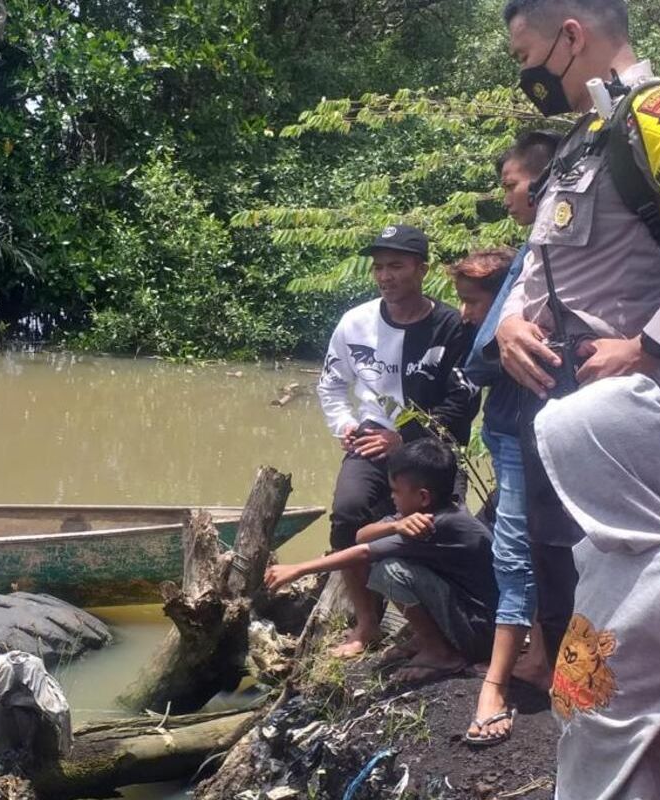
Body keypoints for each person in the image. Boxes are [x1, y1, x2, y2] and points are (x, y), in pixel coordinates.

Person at [495, 0, 660, 673]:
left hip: (637, 414)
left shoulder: (656, 117)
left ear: (571, 36)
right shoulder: (582, 136)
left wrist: (648, 345)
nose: (527, 76)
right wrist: (511, 320)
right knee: (567, 571)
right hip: (561, 402)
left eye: (525, 57)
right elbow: (540, 259)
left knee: (646, 591)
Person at [316, 224, 478, 657]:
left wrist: (403, 437)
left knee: (437, 529)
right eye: (379, 267)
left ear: (421, 269)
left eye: (397, 266)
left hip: (433, 448)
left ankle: (435, 626)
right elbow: (331, 385)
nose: (385, 276)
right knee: (348, 514)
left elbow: (463, 400)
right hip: (371, 439)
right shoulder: (355, 323)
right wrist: (345, 426)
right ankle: (366, 623)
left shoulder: (452, 325)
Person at [457, 132, 561, 747]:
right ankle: (539, 656)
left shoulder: (540, 255)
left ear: (542, 181)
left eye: (511, 184)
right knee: (536, 544)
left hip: (530, 426)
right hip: (517, 424)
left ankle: (494, 687)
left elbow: (480, 357)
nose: (507, 198)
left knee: (517, 550)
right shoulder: (539, 250)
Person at [532, 375, 660, 799]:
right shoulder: (596, 551)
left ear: (611, 476)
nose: (558, 495)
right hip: (588, 767)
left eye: (569, 475)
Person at [265, 438, 497, 683]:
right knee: (390, 560)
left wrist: (299, 569)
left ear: (423, 496)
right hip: (470, 618)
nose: (392, 497)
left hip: (481, 631)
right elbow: (360, 535)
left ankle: (440, 653)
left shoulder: (438, 524)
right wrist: (395, 525)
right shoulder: (422, 512)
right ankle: (428, 638)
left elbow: (364, 552)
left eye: (396, 491)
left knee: (389, 571)